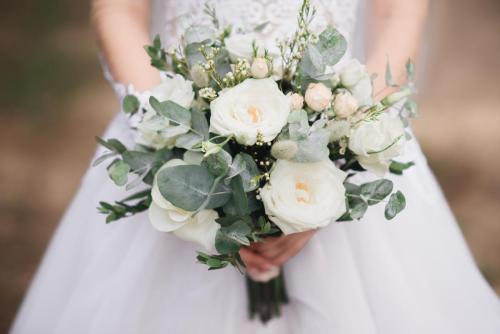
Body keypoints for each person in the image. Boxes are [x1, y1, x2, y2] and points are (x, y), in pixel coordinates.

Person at [10, 0, 500, 333]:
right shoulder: (172, 130)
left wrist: (338, 159)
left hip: (342, 124)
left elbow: (398, 12)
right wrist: (173, 132)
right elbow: (116, 8)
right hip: (175, 132)